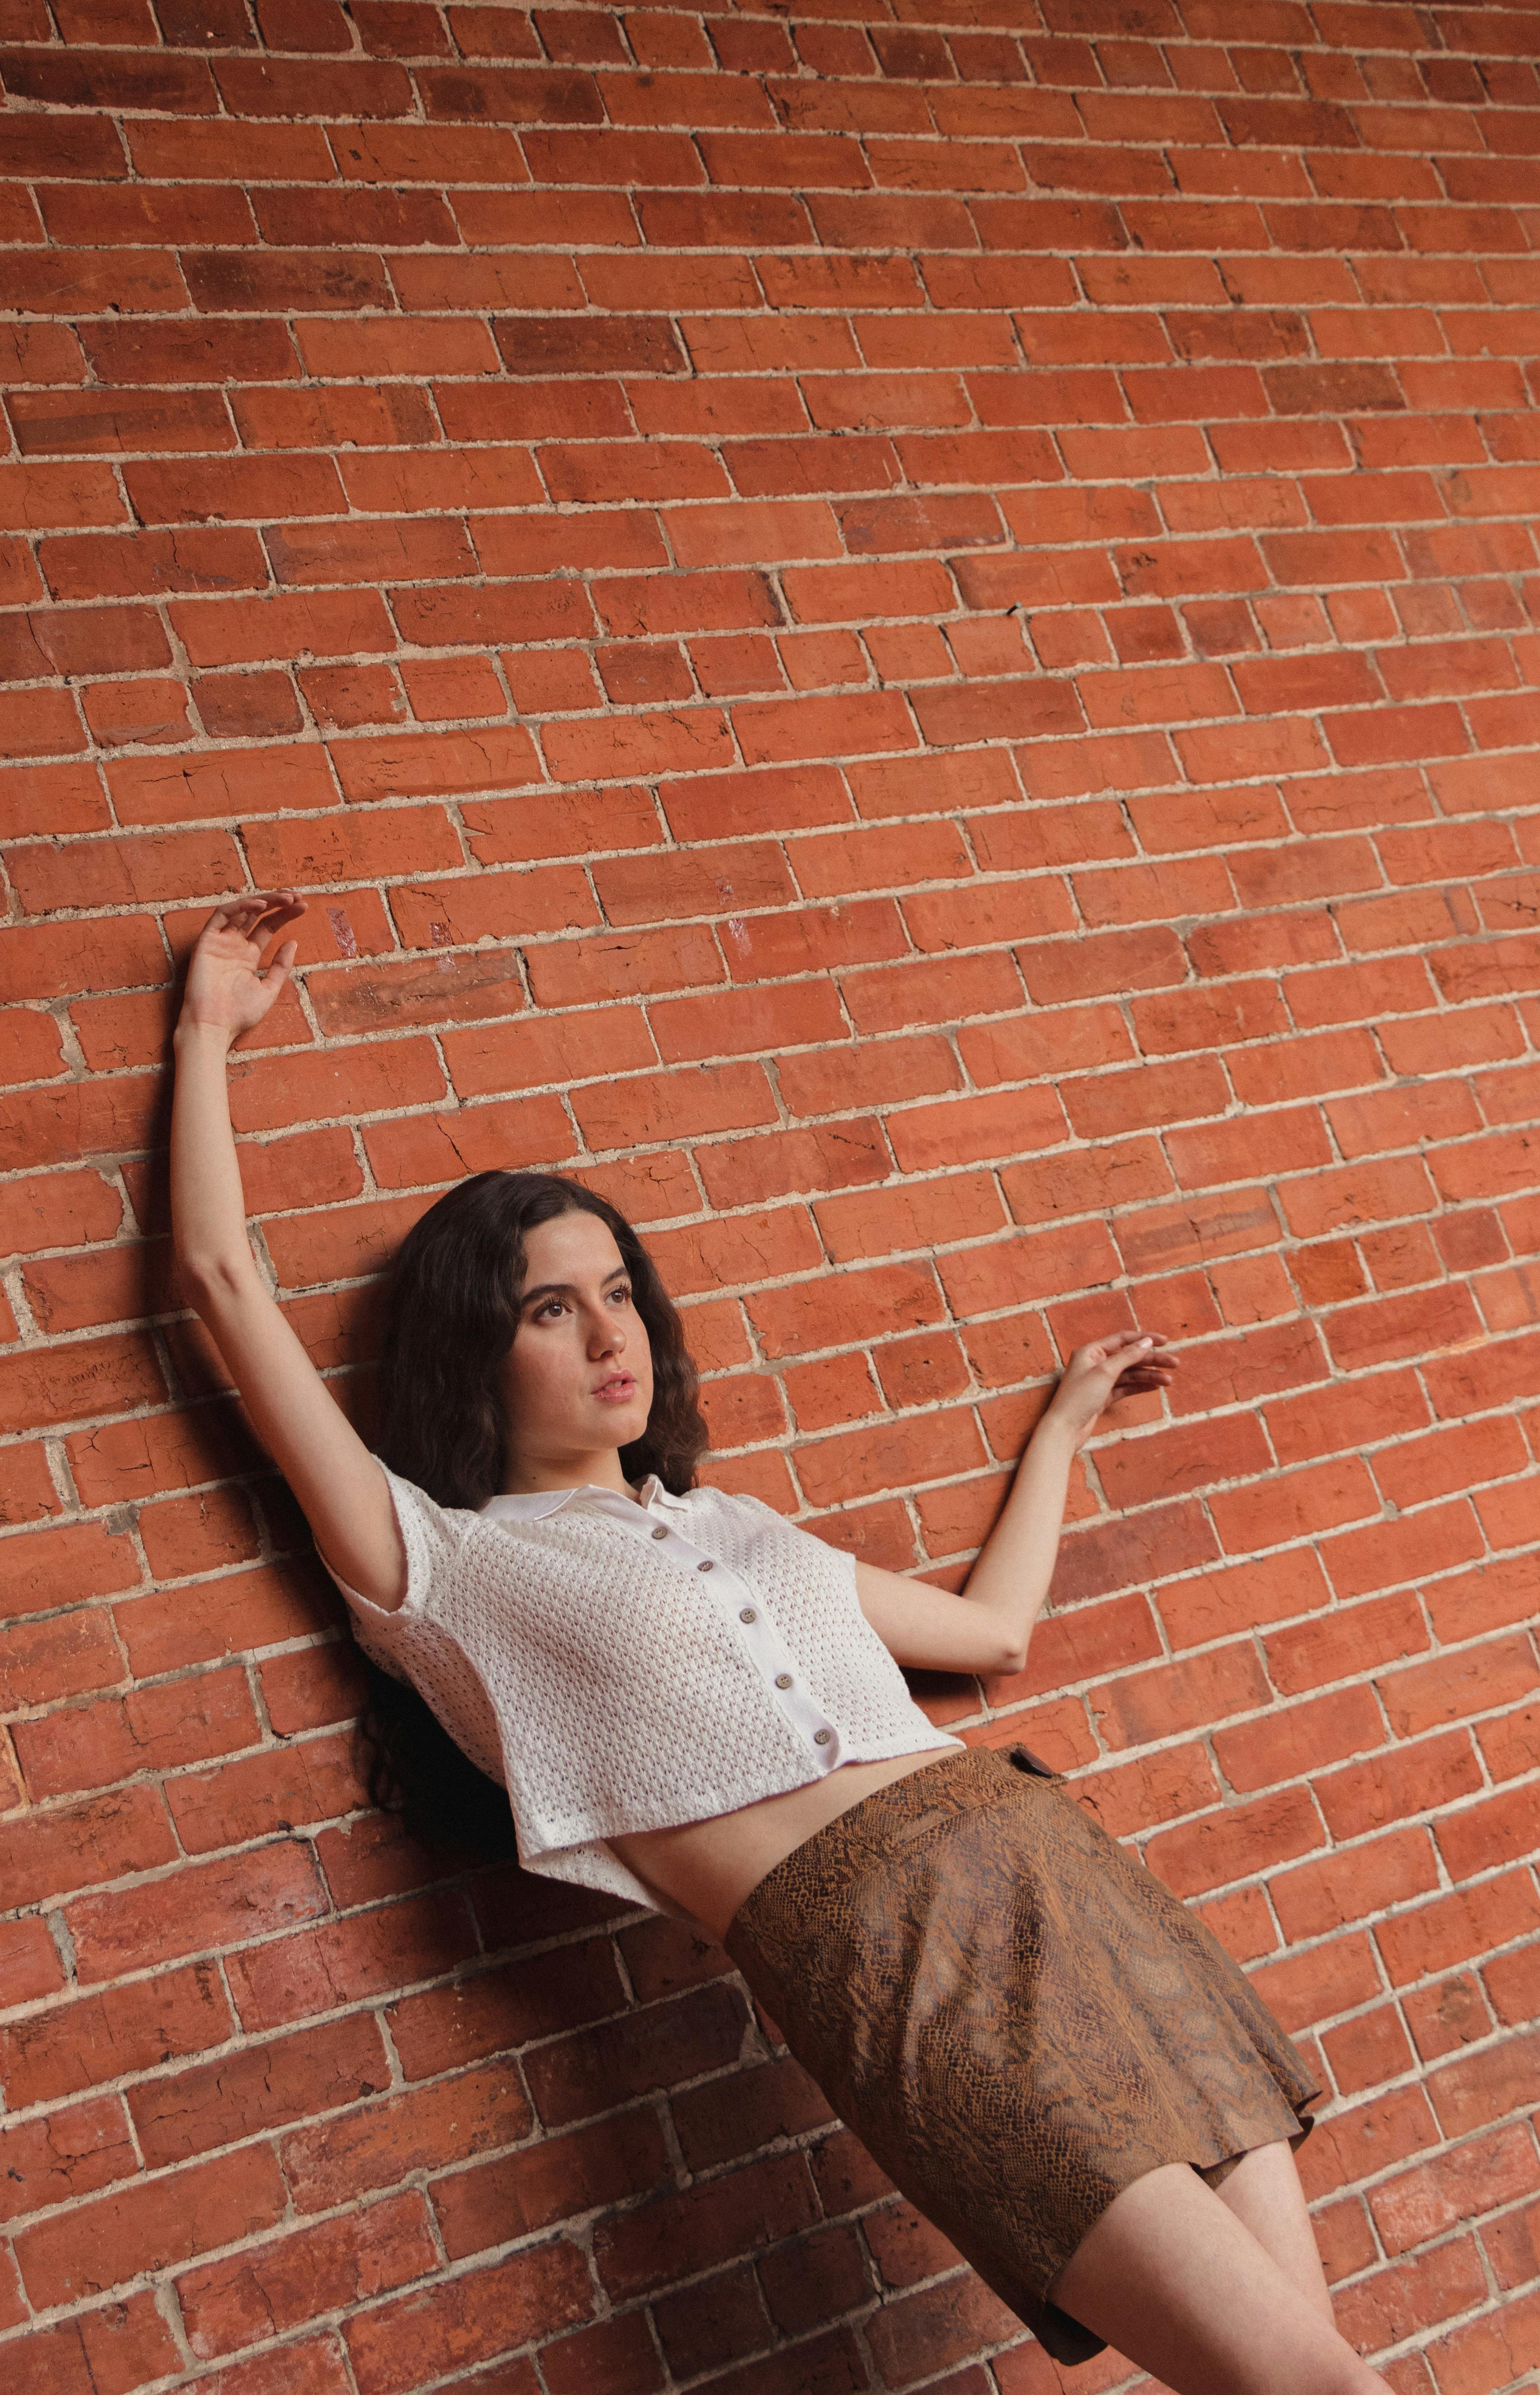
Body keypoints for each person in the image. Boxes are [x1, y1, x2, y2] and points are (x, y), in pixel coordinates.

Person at [170, 892, 1383, 2395]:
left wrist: (1064, 1432)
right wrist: (208, 1031)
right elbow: (221, 1282)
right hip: (885, 1955)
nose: (609, 1333)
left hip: (1059, 1874)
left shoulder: (738, 1525)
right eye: (549, 1308)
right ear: (474, 1347)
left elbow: (992, 1632)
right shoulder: (445, 1566)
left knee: (1312, 2378)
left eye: (619, 1292)